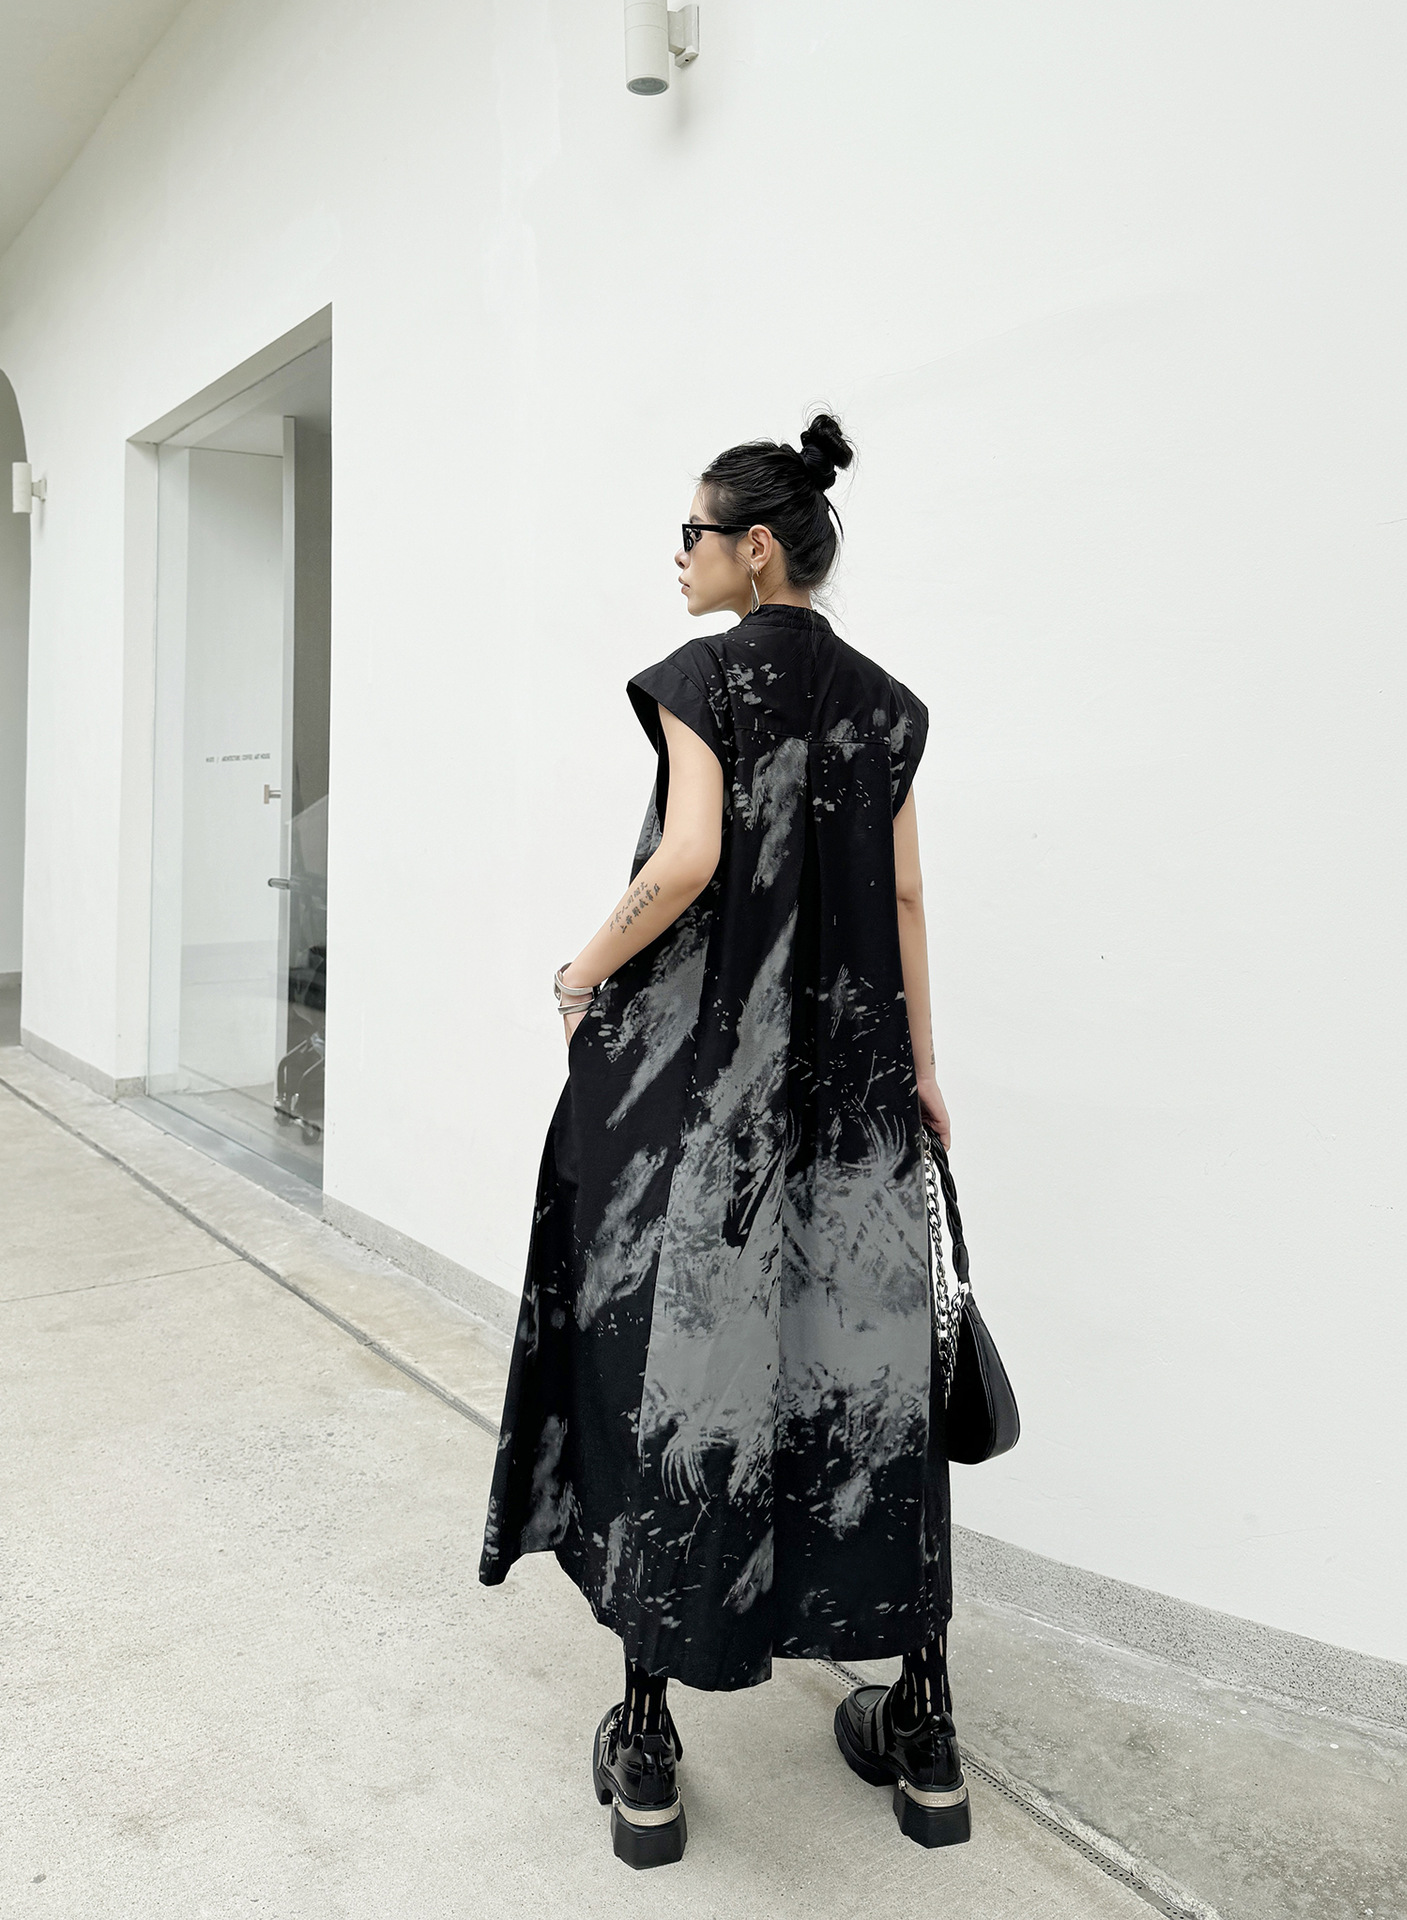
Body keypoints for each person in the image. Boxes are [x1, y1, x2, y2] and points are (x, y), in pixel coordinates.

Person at [478, 414, 967, 1867]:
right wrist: (922, 1071)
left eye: (691, 534)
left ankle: (646, 1746)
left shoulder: (708, 679)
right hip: (856, 1112)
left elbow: (690, 858)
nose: (678, 558)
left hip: (715, 1110)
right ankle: (925, 1733)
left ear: (756, 548)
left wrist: (582, 970)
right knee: (868, 1388)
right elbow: (907, 900)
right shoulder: (886, 707)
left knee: (678, 1380)